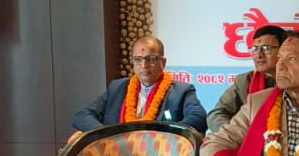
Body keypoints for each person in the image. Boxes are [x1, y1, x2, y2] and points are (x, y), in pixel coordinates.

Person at [71, 36, 206, 134]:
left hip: (159, 155)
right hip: (118, 151)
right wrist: (105, 133)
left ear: (163, 62)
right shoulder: (117, 88)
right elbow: (82, 116)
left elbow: (198, 117)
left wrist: (167, 133)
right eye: (138, 59)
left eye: (151, 59)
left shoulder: (181, 91)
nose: (144, 65)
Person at [208, 24, 284, 133]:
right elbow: (216, 114)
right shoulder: (245, 81)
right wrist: (236, 134)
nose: (259, 55)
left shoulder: (297, 81)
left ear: (283, 51)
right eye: (255, 49)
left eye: (266, 48)